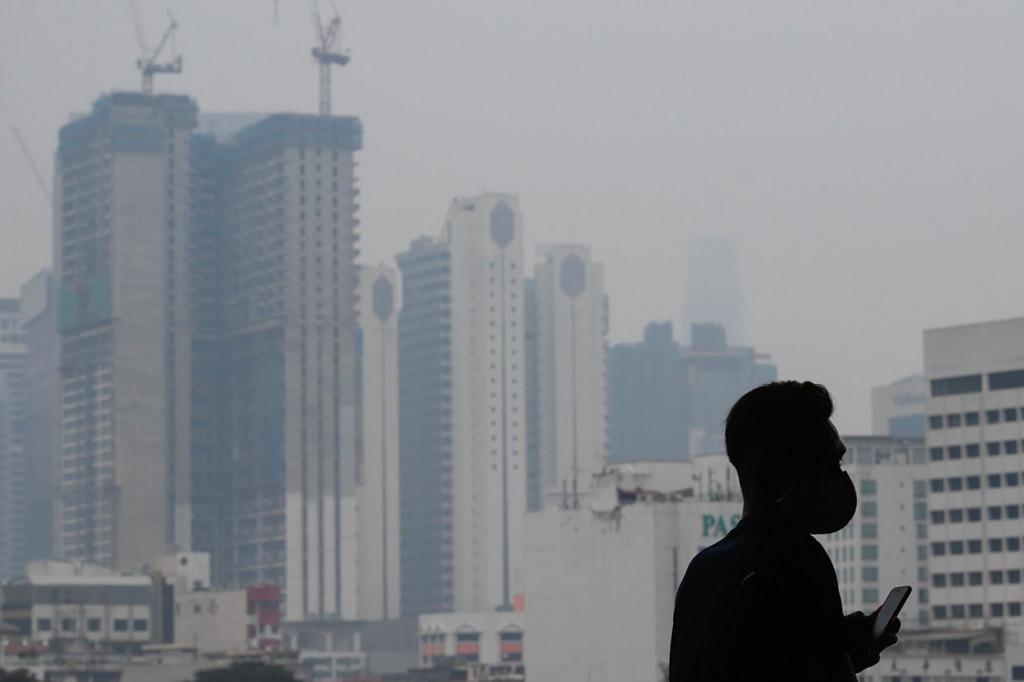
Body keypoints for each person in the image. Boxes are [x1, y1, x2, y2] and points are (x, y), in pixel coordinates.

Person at [669, 381, 901, 681]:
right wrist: (836, 656)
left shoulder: (702, 569)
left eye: (838, 462)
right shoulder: (795, 558)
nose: (839, 478)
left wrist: (836, 648)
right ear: (768, 476)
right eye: (825, 464)